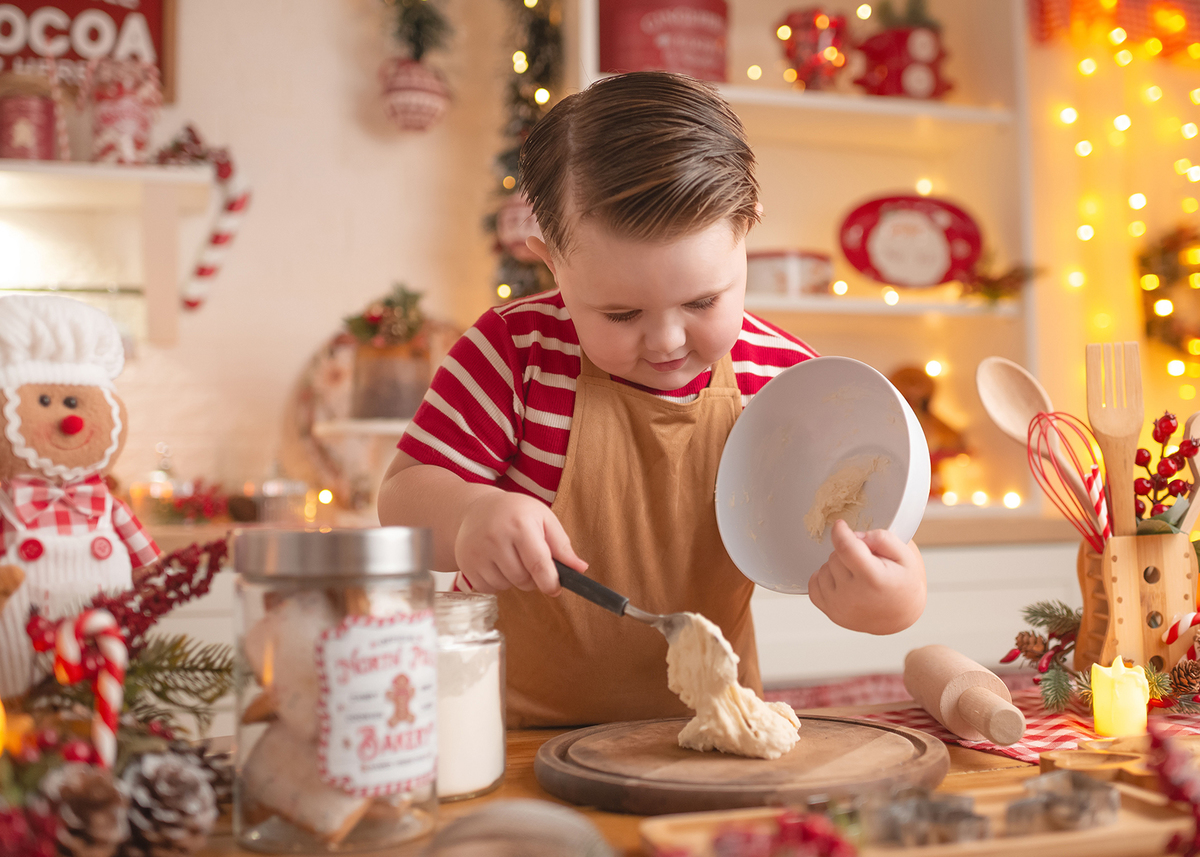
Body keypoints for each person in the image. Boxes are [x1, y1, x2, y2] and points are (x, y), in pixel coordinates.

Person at [378, 71, 925, 728]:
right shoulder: (512, 352)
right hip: (507, 732)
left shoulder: (788, 384)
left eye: (702, 302)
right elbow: (402, 499)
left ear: (746, 230)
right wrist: (473, 513)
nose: (666, 340)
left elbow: (848, 546)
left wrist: (890, 601)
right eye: (619, 312)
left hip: (712, 729)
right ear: (550, 263)